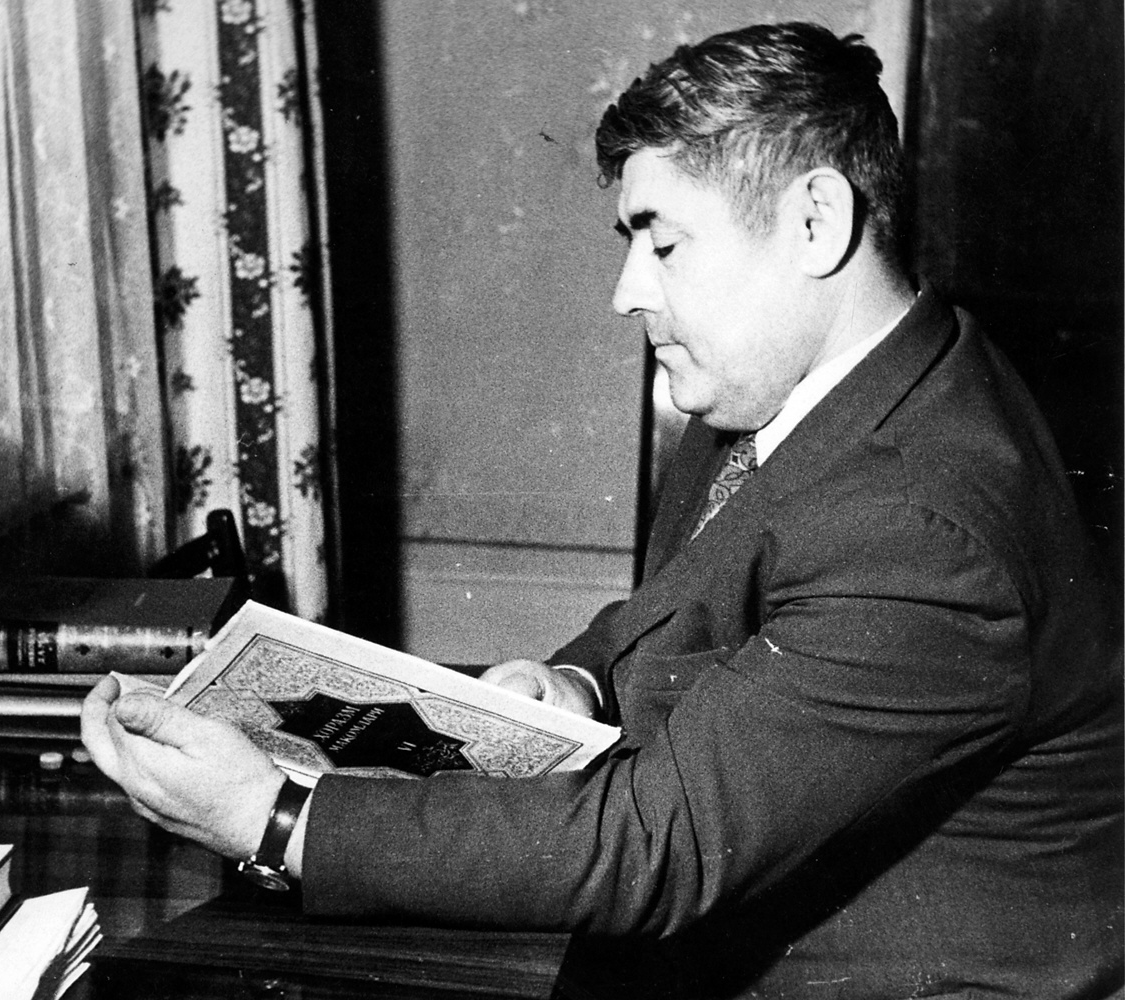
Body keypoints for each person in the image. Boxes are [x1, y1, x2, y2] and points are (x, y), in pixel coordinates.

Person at [82, 21, 1123, 997]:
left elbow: (658, 844)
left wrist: (275, 818)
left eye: (663, 245)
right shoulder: (814, 381)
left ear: (816, 222)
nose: (628, 291)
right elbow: (690, 606)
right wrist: (576, 683)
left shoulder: (924, 525)